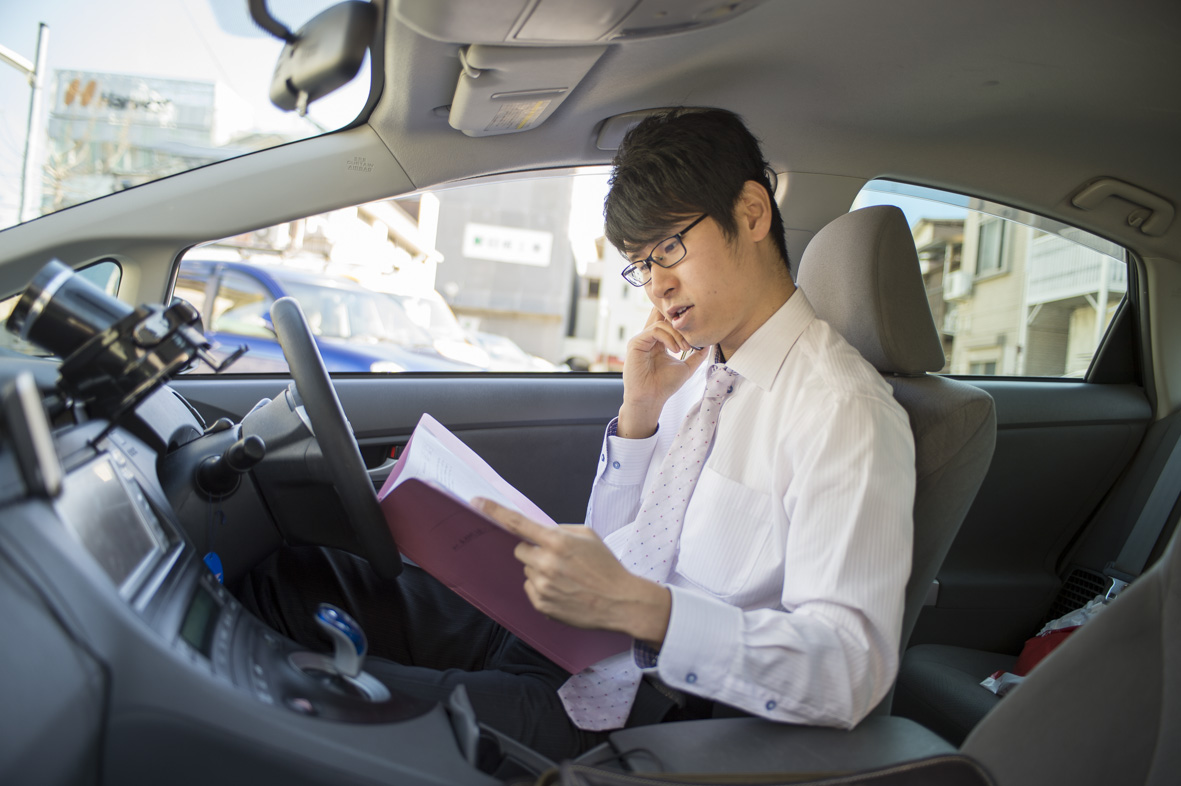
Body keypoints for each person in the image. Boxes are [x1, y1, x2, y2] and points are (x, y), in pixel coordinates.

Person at [241, 107, 915, 763]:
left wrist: (647, 611)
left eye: (669, 248)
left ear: (750, 212)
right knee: (289, 581)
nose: (657, 286)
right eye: (640, 265)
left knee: (299, 687)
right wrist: (638, 419)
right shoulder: (700, 371)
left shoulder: (842, 410)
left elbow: (849, 668)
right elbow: (619, 544)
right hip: (566, 639)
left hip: (644, 705)